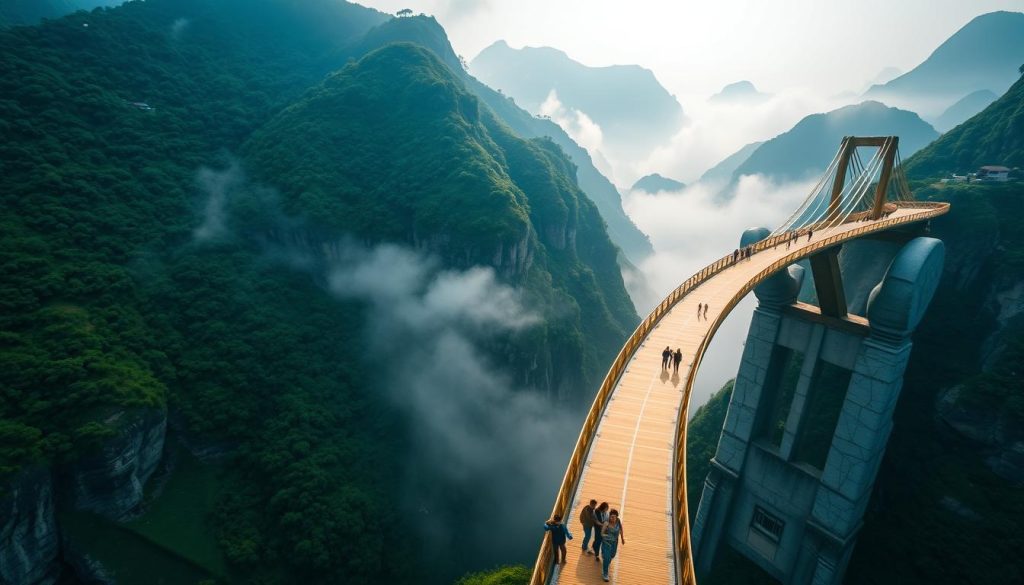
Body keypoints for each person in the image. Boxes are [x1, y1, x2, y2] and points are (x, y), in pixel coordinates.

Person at [600, 509, 626, 581]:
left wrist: (622, 538)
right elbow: (602, 533)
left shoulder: (618, 521)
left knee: (612, 556)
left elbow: (621, 529)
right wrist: (608, 537)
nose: (612, 518)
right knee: (607, 558)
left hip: (615, 543)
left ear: (616, 517)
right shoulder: (606, 523)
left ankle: (605, 561)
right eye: (611, 517)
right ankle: (605, 574)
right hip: (607, 543)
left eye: (614, 517)